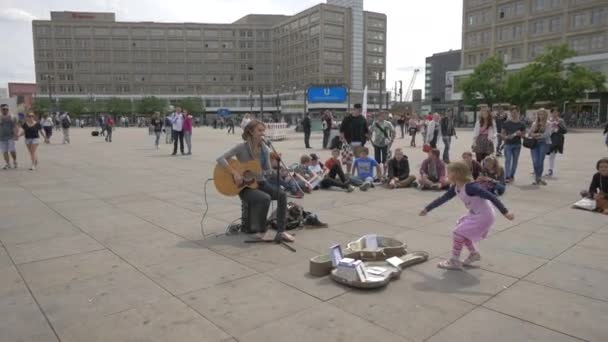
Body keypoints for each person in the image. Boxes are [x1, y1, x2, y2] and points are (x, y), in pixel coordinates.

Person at [419, 161, 514, 269]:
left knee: (458, 233)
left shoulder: (471, 187)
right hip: (475, 214)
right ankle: (474, 254)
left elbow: (491, 196)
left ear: (456, 174)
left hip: (484, 216)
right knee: (463, 233)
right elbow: (442, 199)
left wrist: (505, 212)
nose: (447, 175)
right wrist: (427, 209)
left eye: (449, 172)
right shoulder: (456, 187)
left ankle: (454, 261)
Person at [216, 119, 294, 242]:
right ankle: (260, 231)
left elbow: (268, 170)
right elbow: (220, 158)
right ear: (251, 132)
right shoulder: (241, 147)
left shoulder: (265, 148)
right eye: (259, 130)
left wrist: (278, 167)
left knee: (282, 194)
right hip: (245, 187)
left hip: (261, 182)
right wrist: (235, 172)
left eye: (263, 130)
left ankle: (281, 231)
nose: (262, 133)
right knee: (265, 198)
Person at [340, 104, 370, 174]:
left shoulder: (362, 119)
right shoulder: (347, 118)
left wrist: (367, 137)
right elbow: (341, 130)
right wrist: (343, 140)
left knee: (359, 159)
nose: (359, 112)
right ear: (354, 109)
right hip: (349, 142)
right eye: (358, 110)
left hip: (360, 142)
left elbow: (366, 130)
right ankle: (348, 173)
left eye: (360, 110)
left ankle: (361, 174)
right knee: (349, 160)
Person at [501, 106, 526, 183]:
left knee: (515, 161)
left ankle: (512, 175)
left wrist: (520, 134)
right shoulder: (506, 123)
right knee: (508, 160)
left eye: (516, 112)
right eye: (512, 112)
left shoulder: (522, 124)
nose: (514, 114)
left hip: (517, 145)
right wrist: (506, 137)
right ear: (510, 113)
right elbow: (502, 135)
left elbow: (524, 136)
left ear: (519, 113)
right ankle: (507, 176)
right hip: (508, 144)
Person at [528, 109, 552, 186]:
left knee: (540, 161)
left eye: (542, 114)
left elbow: (548, 134)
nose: (541, 116)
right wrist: (535, 135)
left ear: (545, 115)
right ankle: (537, 178)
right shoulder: (534, 123)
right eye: (539, 114)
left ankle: (538, 178)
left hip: (543, 144)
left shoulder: (548, 123)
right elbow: (529, 133)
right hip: (534, 144)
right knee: (535, 161)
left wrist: (538, 135)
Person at [370, 111, 395, 176]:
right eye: (380, 116)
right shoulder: (374, 124)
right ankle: (378, 173)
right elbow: (370, 132)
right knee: (377, 160)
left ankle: (384, 173)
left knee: (385, 160)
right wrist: (371, 141)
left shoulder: (388, 123)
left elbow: (393, 131)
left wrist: (391, 140)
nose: (381, 117)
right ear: (378, 116)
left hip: (385, 144)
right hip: (377, 144)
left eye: (383, 116)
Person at [545, 109, 567, 177]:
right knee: (544, 154)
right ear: (551, 113)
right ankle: (537, 169)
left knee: (552, 155)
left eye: (556, 112)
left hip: (557, 140)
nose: (555, 114)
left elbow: (565, 130)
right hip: (548, 139)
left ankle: (550, 169)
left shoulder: (560, 120)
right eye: (553, 112)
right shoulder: (548, 120)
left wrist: (558, 126)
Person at [0, 104, 19, 169]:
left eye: (6, 109)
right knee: (4, 151)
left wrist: (16, 135)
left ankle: (15, 161)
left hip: (11, 136)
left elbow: (16, 126)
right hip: (1, 137)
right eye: (3, 109)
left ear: (8, 109)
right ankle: (8, 164)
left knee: (12, 150)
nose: (5, 110)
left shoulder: (12, 117)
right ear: (1, 110)